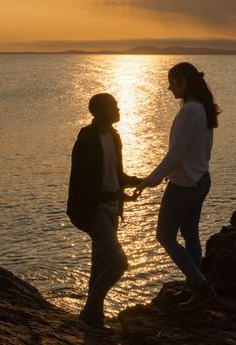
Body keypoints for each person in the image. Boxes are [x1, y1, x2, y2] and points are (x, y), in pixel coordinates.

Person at [136, 62, 220, 310]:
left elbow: (176, 153)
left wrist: (151, 178)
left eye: (172, 82)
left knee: (164, 236)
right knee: (190, 234)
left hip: (184, 184)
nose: (169, 87)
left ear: (184, 82)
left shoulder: (190, 111)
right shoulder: (202, 108)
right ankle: (192, 287)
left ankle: (201, 286)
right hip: (200, 179)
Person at [67, 93, 142, 330]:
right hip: (92, 210)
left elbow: (116, 175)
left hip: (110, 209)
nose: (119, 110)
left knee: (100, 265)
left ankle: (94, 319)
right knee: (118, 263)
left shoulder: (114, 136)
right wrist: (114, 195)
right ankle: (89, 310)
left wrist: (141, 180)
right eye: (114, 107)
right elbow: (82, 185)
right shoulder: (86, 140)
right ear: (99, 111)